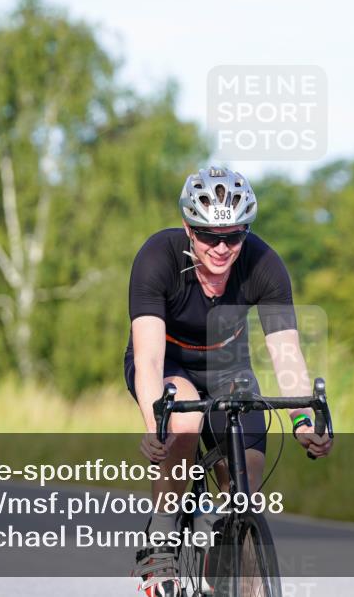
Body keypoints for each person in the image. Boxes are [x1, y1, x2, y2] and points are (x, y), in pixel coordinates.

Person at [125, 166, 332, 596]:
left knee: (243, 487)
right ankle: (161, 540)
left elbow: (286, 352)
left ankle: (227, 564)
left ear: (246, 232)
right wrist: (153, 423)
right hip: (169, 364)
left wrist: (302, 422)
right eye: (208, 236)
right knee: (182, 420)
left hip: (228, 368)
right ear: (188, 228)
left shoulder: (263, 263)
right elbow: (147, 357)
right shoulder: (157, 256)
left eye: (233, 236)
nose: (221, 248)